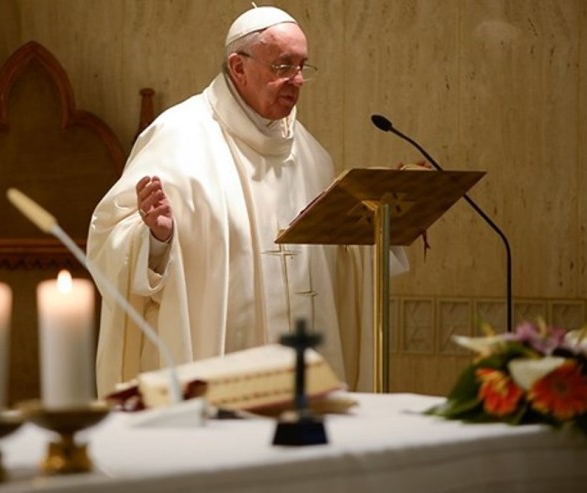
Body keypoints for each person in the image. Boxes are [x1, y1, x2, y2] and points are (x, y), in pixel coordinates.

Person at [87, 5, 408, 397]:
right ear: (238, 67)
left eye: (303, 66)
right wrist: (155, 239)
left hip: (304, 381)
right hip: (217, 375)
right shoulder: (178, 137)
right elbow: (107, 242)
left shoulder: (310, 155)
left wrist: (384, 211)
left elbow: (341, 262)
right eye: (283, 66)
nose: (298, 79)